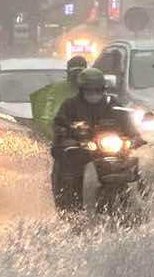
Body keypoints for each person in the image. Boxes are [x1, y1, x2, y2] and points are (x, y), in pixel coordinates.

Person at [49, 67, 135, 212]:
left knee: (132, 168)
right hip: (81, 153)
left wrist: (134, 137)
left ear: (103, 89)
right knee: (69, 175)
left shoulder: (112, 104)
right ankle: (71, 210)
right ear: (82, 90)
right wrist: (67, 136)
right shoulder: (70, 106)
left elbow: (126, 123)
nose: (94, 94)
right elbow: (59, 124)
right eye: (89, 90)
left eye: (98, 90)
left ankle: (138, 205)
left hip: (109, 151)